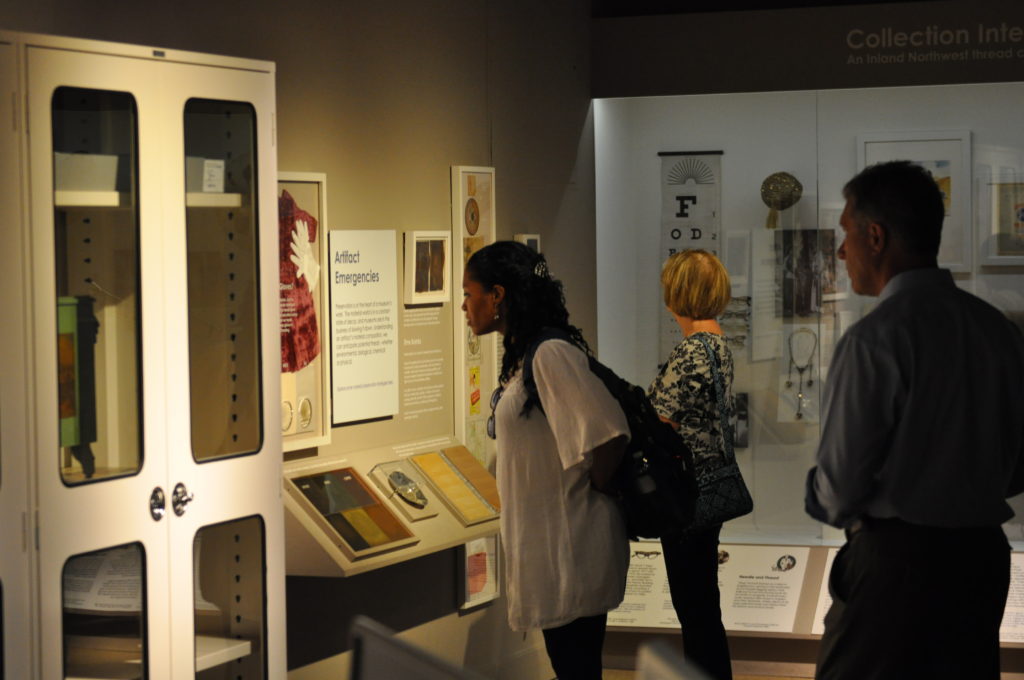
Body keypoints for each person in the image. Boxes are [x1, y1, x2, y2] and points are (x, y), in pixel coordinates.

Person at [805, 160, 1024, 680]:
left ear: (875, 236)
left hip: (895, 565)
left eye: (846, 234)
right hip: (981, 557)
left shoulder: (874, 339)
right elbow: (1017, 469)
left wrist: (819, 494)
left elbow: (839, 491)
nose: (841, 252)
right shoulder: (998, 331)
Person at [462, 241, 630, 680]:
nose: (464, 306)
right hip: (555, 550)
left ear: (496, 296)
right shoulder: (525, 355)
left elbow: (608, 435)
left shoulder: (550, 354)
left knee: (576, 669)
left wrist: (590, 492)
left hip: (572, 550)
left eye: (469, 293)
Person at [647, 249, 735, 680]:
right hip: (709, 491)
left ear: (677, 293)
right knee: (702, 604)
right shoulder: (718, 343)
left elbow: (659, 420)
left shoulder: (691, 353)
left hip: (685, 495)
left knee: (694, 607)